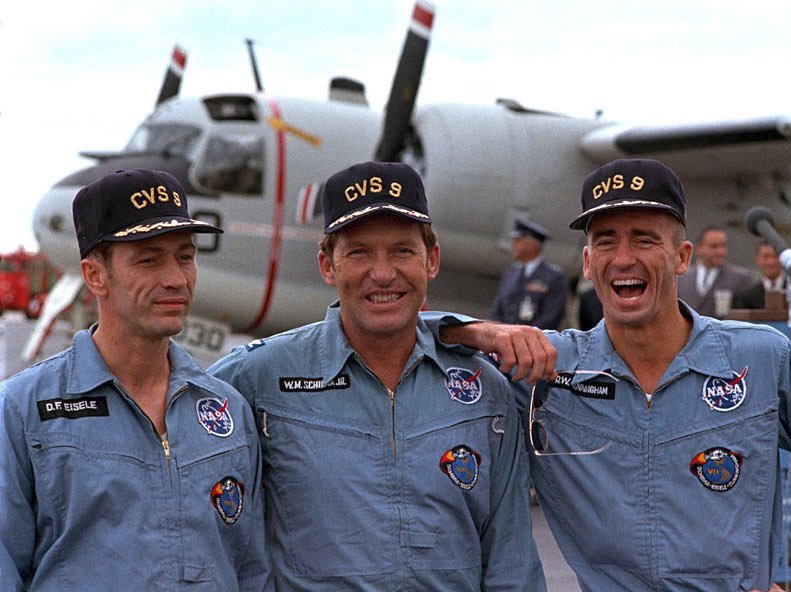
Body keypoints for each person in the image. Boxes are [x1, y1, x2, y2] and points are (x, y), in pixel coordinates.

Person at [433, 158, 791, 591]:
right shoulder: (549, 372)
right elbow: (411, 340)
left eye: (644, 240)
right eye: (606, 242)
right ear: (589, 262)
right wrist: (480, 329)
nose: (623, 258)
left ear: (681, 257)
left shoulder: (761, 358)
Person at [209, 161, 545, 591]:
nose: (382, 273)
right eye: (359, 252)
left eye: (403, 251)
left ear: (432, 260)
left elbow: (511, 559)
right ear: (327, 265)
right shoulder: (260, 376)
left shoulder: (484, 390)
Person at [0, 169, 272, 591]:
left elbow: (252, 570)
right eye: (148, 259)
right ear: (95, 276)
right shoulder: (22, 410)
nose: (176, 279)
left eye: (185, 256)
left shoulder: (227, 411)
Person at [489, 217, 568, 329]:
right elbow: (497, 310)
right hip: (504, 339)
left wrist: (524, 337)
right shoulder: (510, 274)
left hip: (534, 341)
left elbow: (552, 316)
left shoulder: (554, 277)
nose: (513, 245)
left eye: (518, 241)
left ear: (532, 245)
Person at [677, 224, 751, 317]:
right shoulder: (681, 278)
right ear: (698, 249)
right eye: (714, 246)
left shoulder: (740, 278)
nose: (720, 252)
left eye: (723, 246)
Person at [732, 240, 791, 309]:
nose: (771, 262)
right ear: (757, 260)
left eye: (775, 256)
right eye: (766, 257)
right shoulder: (747, 295)